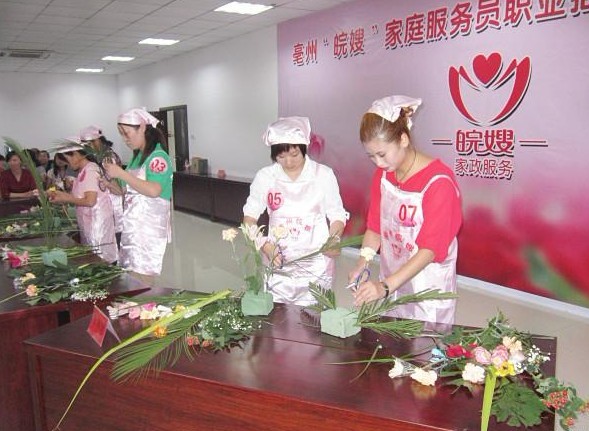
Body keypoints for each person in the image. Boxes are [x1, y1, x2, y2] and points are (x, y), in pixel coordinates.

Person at [349, 95, 462, 324]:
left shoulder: (438, 183)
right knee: (391, 335)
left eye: (382, 154)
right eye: (371, 156)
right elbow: (375, 227)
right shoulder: (384, 175)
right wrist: (363, 262)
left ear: (403, 139)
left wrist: (384, 287)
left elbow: (430, 249)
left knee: (425, 341)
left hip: (426, 283)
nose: (378, 163)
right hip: (393, 276)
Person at [243, 116, 348, 306]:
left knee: (314, 317)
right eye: (281, 157)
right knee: (277, 316)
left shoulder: (323, 175)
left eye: (294, 155)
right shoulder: (266, 177)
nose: (288, 162)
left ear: (304, 148)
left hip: (316, 266)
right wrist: (264, 245)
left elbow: (337, 214)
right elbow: (249, 219)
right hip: (278, 263)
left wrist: (333, 239)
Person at [102, 108, 173, 284]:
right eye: (122, 135)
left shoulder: (158, 157)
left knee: (143, 277)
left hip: (148, 228)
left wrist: (121, 173)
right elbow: (127, 191)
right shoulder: (138, 157)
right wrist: (109, 184)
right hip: (133, 226)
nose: (125, 139)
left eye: (127, 133)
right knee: (132, 275)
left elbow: (154, 190)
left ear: (141, 127)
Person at [48, 142, 118, 264]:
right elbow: (79, 198)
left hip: (97, 222)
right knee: (92, 257)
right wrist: (61, 196)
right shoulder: (83, 171)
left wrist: (66, 198)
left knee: (100, 258)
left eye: (67, 159)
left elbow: (90, 201)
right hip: (89, 222)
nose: (67, 164)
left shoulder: (91, 170)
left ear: (76, 154)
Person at [80, 125, 124, 246]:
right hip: (105, 206)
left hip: (113, 206)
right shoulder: (97, 157)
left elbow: (116, 186)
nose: (88, 147)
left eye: (91, 143)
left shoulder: (108, 158)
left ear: (99, 140)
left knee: (114, 241)